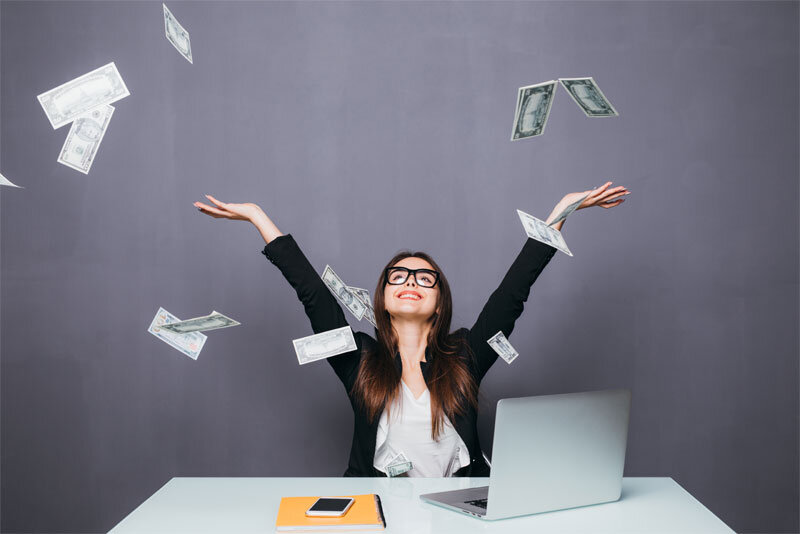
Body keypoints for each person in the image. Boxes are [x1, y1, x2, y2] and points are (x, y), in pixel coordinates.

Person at [193, 182, 630, 477]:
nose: (410, 283)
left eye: (425, 278)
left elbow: (512, 295)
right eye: (397, 277)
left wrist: (560, 211)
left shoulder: (465, 357)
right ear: (382, 297)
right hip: (377, 514)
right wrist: (257, 217)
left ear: (439, 301)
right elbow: (315, 296)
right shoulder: (359, 360)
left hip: (459, 514)